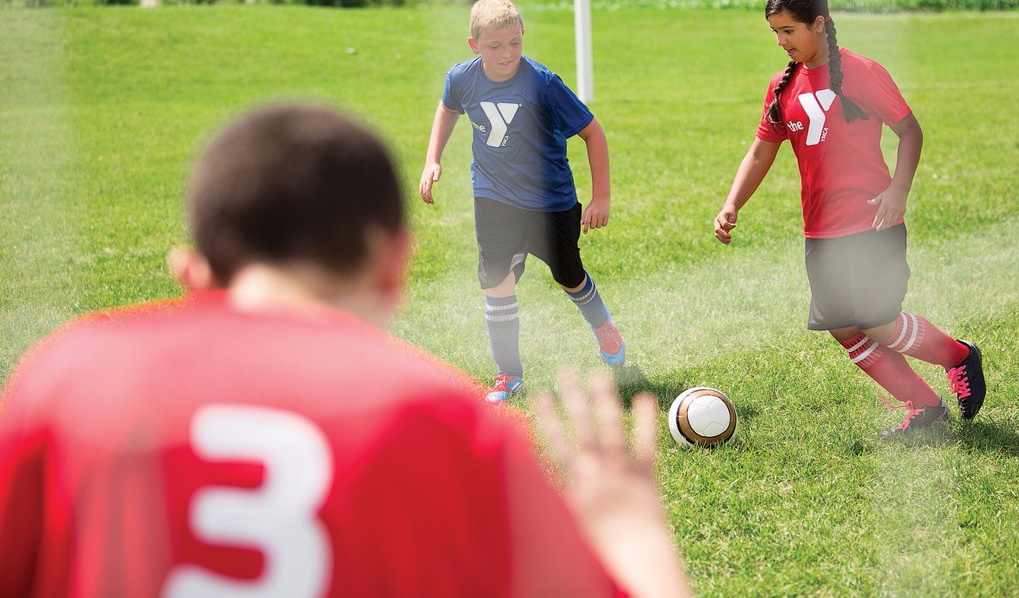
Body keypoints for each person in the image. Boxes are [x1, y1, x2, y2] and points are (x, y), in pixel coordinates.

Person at [0, 103, 691, 598]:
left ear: (192, 273)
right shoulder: (446, 420)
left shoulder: (66, 377)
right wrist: (630, 530)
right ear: (395, 267)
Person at [713, 0, 987, 437]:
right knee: (843, 327)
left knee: (877, 322)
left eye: (789, 31)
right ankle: (924, 408)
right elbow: (762, 150)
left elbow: (910, 132)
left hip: (872, 223)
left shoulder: (861, 72)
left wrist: (899, 189)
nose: (782, 42)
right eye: (775, 33)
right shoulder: (782, 86)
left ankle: (959, 356)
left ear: (819, 24)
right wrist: (731, 203)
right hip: (821, 232)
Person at [420, 0, 625, 403]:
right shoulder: (461, 78)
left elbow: (593, 133)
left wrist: (600, 197)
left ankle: (603, 327)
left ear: (523, 38)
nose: (507, 53)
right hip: (493, 197)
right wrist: (432, 159)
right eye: (495, 46)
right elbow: (447, 109)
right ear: (473, 44)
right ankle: (509, 375)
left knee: (569, 276)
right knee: (497, 281)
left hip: (551, 201)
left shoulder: (542, 83)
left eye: (515, 43)